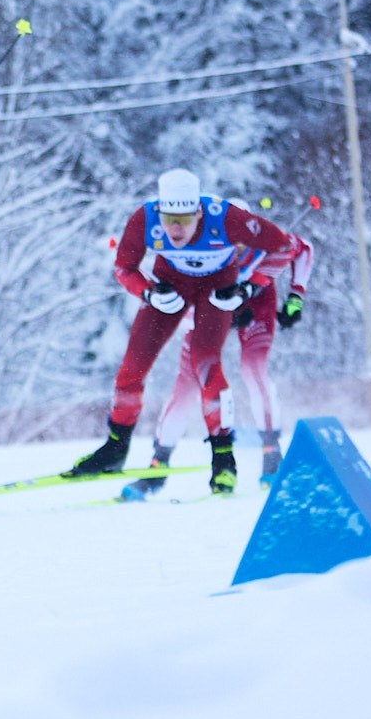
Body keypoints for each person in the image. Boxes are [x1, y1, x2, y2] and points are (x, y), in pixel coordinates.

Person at [63, 168, 311, 495]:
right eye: (168, 218)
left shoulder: (227, 219)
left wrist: (252, 290)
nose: (175, 228)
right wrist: (147, 292)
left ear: (199, 211)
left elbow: (287, 247)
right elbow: (124, 267)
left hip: (216, 290)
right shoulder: (145, 218)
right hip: (171, 286)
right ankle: (115, 449)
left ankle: (225, 459)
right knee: (133, 366)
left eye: (184, 218)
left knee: (207, 363)